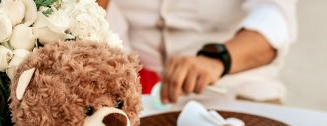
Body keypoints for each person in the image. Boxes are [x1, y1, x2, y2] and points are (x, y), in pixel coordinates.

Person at [102, 0, 297, 104]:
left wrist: (218, 59)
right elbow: (93, 16)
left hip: (238, 91)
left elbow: (276, 18)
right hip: (136, 99)